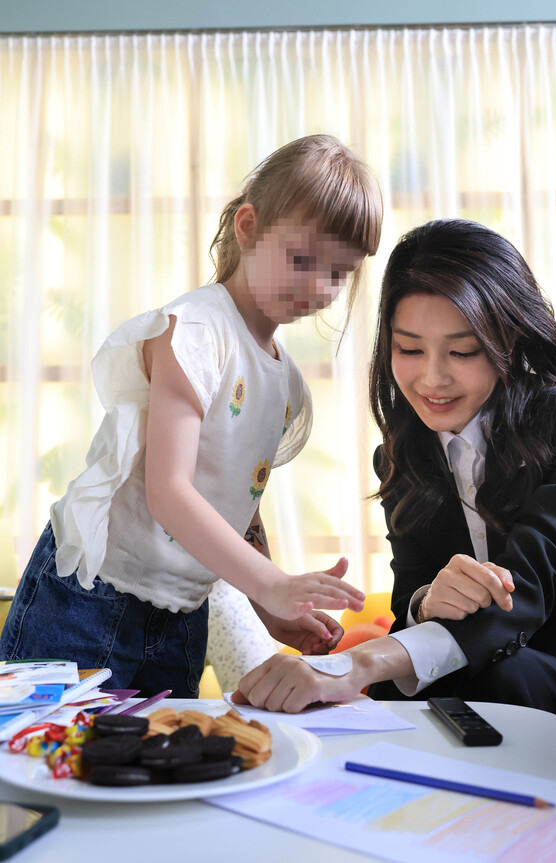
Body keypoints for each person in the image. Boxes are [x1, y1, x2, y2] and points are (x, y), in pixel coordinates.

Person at [233, 218, 556, 795]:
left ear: (510, 340)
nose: (432, 378)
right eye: (409, 349)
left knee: (464, 665)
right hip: (500, 689)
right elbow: (410, 603)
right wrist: (427, 602)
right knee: (400, 687)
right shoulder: (404, 455)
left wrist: (354, 664)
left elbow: (523, 594)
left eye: (464, 351)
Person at [0, 134, 384, 697]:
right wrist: (274, 583)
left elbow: (240, 504)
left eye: (339, 272)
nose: (317, 287)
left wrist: (265, 606)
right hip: (92, 592)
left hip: (182, 610)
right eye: (301, 260)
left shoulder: (285, 385)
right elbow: (169, 492)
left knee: (161, 768)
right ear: (248, 226)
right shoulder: (197, 330)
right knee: (37, 759)